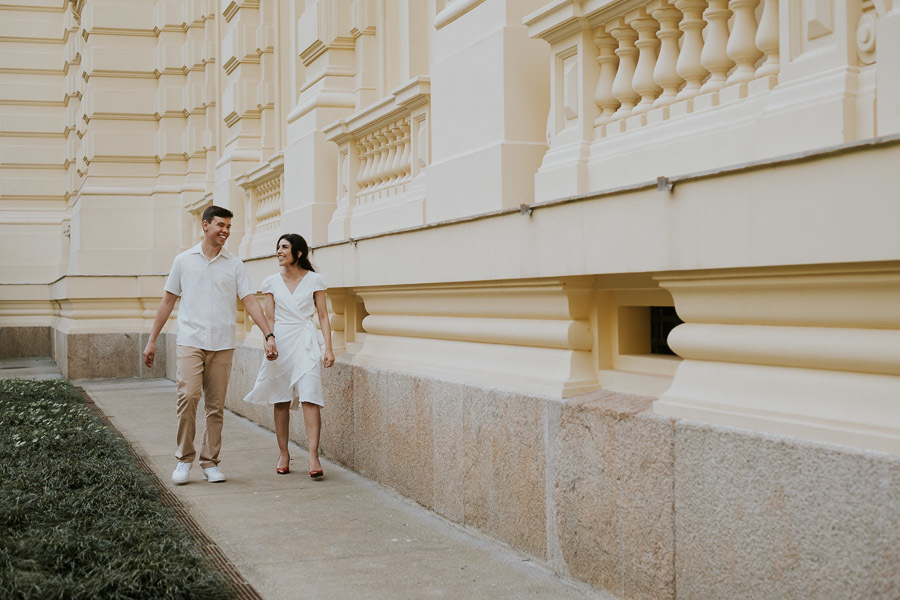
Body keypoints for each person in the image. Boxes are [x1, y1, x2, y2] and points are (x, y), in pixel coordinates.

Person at [142, 205, 278, 485]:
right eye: (221, 226)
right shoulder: (183, 261)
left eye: (228, 227)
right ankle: (183, 459)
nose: (226, 232)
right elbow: (168, 301)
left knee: (215, 406)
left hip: (222, 344)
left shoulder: (235, 264)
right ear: (205, 226)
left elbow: (250, 300)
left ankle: (210, 462)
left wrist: (268, 334)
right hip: (190, 341)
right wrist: (152, 339)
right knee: (189, 397)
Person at [243, 233, 335, 478]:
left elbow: (324, 316)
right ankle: (283, 453)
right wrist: (268, 340)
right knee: (280, 397)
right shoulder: (271, 282)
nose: (279, 252)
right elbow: (269, 317)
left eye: (284, 247)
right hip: (281, 340)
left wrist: (328, 347)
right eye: (278, 248)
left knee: (310, 396)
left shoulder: (315, 280)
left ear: (299, 253)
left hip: (306, 341)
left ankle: (313, 456)